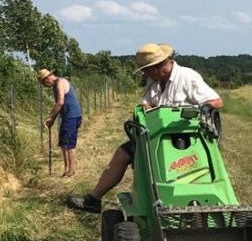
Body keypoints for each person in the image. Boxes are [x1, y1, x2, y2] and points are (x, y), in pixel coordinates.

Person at [67, 44, 222, 213]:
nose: (145, 74)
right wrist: (147, 107)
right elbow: (146, 102)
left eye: (146, 70)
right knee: (122, 154)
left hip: (186, 141)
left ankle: (177, 202)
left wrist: (201, 110)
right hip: (155, 136)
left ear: (158, 66)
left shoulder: (187, 78)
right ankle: (93, 199)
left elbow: (216, 101)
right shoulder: (155, 81)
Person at [37, 67, 83, 178]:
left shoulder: (60, 83)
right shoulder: (55, 85)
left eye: (43, 83)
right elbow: (60, 105)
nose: (44, 86)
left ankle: (71, 172)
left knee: (69, 145)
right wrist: (53, 119)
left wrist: (50, 117)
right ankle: (66, 170)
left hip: (71, 117)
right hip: (67, 117)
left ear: (47, 79)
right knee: (64, 144)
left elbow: (60, 102)